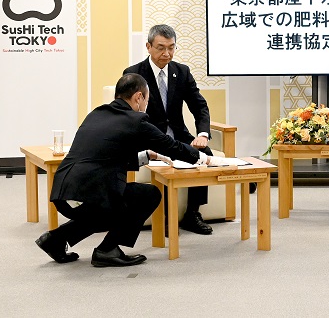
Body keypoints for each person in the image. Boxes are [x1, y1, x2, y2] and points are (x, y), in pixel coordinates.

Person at [35, 73, 225, 268]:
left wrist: (146, 156)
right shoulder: (136, 120)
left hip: (64, 195)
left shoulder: (96, 114)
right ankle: (107, 250)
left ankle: (55, 240)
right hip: (90, 194)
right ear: (138, 97)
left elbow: (106, 156)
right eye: (147, 101)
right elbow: (172, 146)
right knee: (147, 195)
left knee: (110, 205)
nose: (146, 106)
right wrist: (207, 158)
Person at [124, 24, 214, 236]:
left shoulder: (181, 72)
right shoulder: (133, 74)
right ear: (148, 46)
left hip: (178, 136)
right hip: (148, 138)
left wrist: (202, 134)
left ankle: (193, 213)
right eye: (161, 48)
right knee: (163, 160)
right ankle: (164, 217)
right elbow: (129, 114)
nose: (167, 53)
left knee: (204, 155)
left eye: (171, 48)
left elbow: (199, 106)